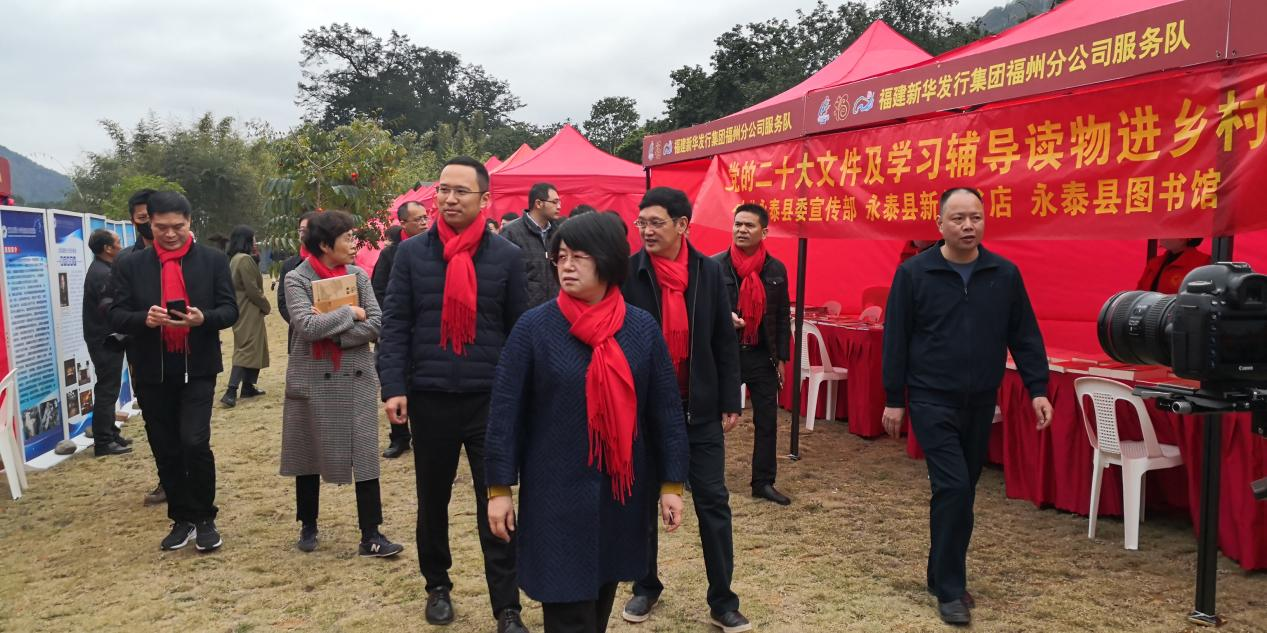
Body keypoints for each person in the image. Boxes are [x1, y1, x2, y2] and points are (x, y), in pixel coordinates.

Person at [486, 212, 690, 633]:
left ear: (608, 260)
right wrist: (499, 489)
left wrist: (672, 484)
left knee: (598, 602)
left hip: (618, 493)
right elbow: (505, 412)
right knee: (568, 611)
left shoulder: (640, 328)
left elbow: (666, 411)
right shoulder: (534, 328)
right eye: (560, 257)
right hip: (555, 495)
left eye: (579, 256)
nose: (567, 266)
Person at [880, 187, 1053, 626]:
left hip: (980, 401)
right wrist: (894, 399)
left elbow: (1024, 335)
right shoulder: (915, 273)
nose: (968, 226)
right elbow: (896, 338)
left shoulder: (1004, 274)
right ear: (939, 224)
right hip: (930, 397)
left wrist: (1037, 388)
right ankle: (950, 589)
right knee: (954, 487)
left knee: (961, 491)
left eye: (975, 217)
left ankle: (939, 572)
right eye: (958, 218)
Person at [377, 156, 529, 633]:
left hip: (490, 400)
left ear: (485, 200)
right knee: (432, 500)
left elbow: (518, 331)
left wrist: (519, 394)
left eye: (461, 191)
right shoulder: (411, 254)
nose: (448, 199)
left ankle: (507, 606)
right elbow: (396, 324)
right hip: (430, 396)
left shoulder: (506, 257)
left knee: (496, 500)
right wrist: (394, 386)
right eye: (443, 189)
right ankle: (437, 586)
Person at [620, 187, 749, 633]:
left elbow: (722, 339)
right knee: (640, 501)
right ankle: (645, 585)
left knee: (713, 502)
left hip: (699, 408)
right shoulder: (630, 272)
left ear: (682, 225)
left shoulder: (708, 272)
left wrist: (730, 398)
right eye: (642, 223)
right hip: (643, 411)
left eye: (656, 222)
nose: (647, 231)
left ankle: (723, 600)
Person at [109, 190, 238, 553]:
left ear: (189, 222)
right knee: (165, 447)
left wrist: (203, 318)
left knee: (194, 442)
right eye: (161, 226)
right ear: (148, 223)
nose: (169, 234)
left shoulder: (212, 260)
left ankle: (205, 517)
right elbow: (115, 314)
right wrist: (144, 319)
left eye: (177, 226)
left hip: (198, 367)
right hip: (152, 368)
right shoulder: (130, 265)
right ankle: (182, 518)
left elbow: (230, 310)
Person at [280, 209, 405, 558]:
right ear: (324, 244)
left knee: (365, 456)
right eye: (348, 238)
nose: (354, 245)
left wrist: (336, 333)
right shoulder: (296, 278)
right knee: (308, 453)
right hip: (310, 375)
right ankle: (308, 523)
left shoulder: (358, 275)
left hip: (355, 375)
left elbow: (377, 322)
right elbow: (306, 326)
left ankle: (371, 533)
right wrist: (350, 313)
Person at [713, 203, 791, 506]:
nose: (742, 230)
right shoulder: (715, 266)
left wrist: (782, 358)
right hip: (725, 355)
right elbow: (701, 311)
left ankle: (763, 482)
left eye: (749, 225)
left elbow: (782, 317)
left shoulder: (776, 269)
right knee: (713, 418)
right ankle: (707, 476)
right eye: (738, 224)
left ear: (764, 232)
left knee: (767, 421)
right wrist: (724, 318)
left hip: (762, 354)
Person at [372, 200, 428, 459]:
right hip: (399, 328)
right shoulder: (390, 254)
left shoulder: (433, 248)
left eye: (426, 217)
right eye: (418, 219)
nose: (424, 222)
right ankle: (399, 437)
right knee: (396, 381)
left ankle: (423, 434)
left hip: (425, 330)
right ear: (403, 223)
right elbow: (379, 290)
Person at [84, 228, 132, 456]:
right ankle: (103, 441)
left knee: (110, 388)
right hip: (104, 339)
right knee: (107, 389)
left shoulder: (104, 269)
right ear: (108, 248)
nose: (121, 246)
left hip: (107, 337)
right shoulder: (102, 273)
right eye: (118, 242)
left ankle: (111, 433)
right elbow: (110, 309)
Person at [221, 226, 270, 408]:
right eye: (253, 239)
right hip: (249, 309)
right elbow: (252, 289)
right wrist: (265, 305)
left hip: (242, 308)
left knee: (254, 346)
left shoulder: (235, 259)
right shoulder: (244, 259)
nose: (255, 243)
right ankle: (231, 391)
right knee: (247, 347)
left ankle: (248, 386)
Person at [500, 182, 563, 308]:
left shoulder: (559, 231)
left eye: (559, 202)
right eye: (554, 202)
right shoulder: (512, 232)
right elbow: (502, 275)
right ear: (538, 204)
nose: (559, 206)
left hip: (555, 307)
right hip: (524, 310)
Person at [277, 211, 318, 348]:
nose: (303, 234)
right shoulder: (289, 265)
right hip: (300, 337)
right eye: (301, 230)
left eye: (308, 230)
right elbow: (283, 302)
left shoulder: (332, 261)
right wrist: (300, 322)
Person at [1136, 238, 1209, 294]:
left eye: (1170, 229)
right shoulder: (1154, 263)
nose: (1162, 233)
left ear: (1188, 237)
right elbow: (1139, 294)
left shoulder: (1204, 263)